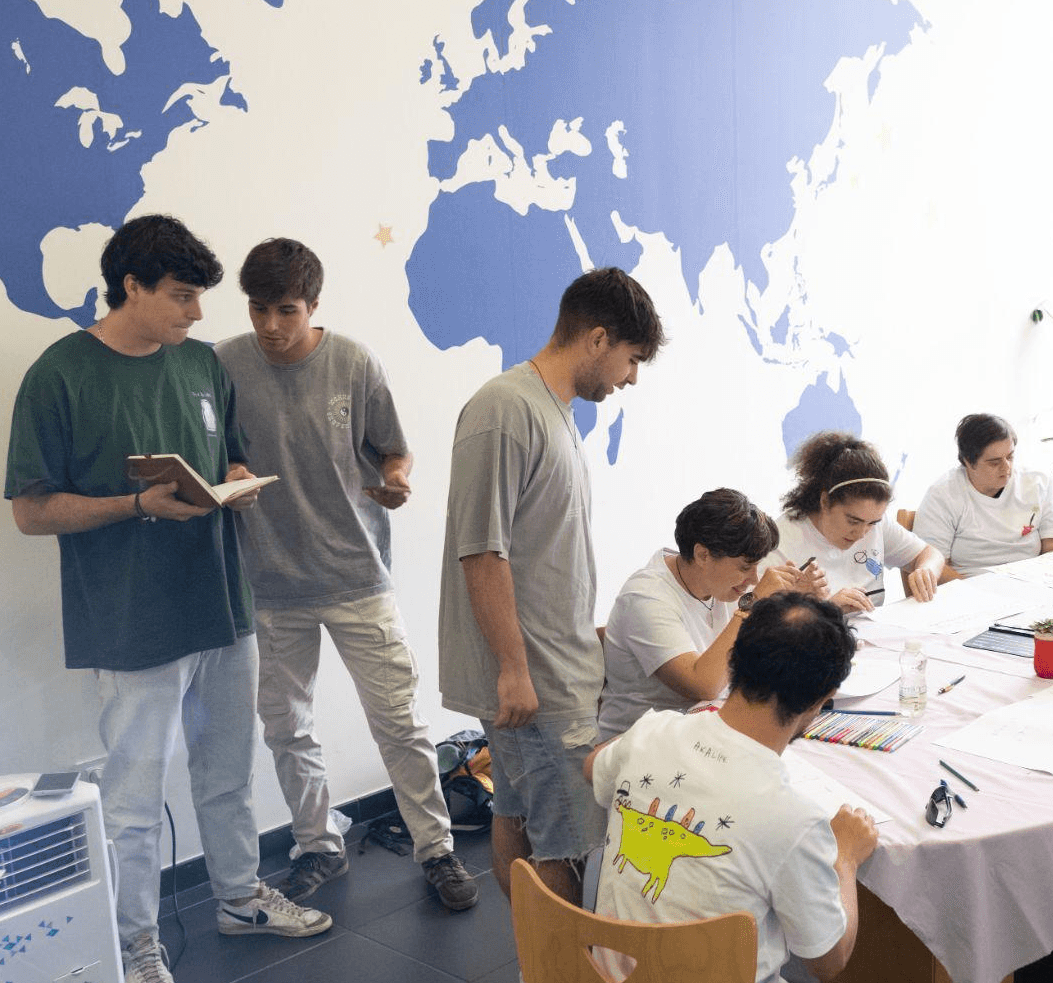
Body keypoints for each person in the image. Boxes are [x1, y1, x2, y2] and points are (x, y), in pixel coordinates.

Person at [5, 215, 328, 983]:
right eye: (181, 296)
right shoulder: (60, 375)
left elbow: (230, 456)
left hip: (221, 603)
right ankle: (135, 942)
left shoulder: (199, 365)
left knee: (226, 771)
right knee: (134, 795)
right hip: (131, 621)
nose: (194, 313)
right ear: (133, 287)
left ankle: (240, 895)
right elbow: (31, 511)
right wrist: (135, 505)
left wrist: (239, 477)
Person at [586, 592, 976, 983]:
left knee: (735, 942)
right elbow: (829, 960)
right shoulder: (790, 816)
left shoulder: (652, 730)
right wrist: (845, 859)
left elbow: (594, 768)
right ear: (823, 701)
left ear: (736, 659)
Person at [215, 238, 479, 911]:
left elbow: (396, 452)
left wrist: (394, 480)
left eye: (286, 310)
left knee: (399, 721)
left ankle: (437, 849)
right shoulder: (225, 364)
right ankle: (316, 844)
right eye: (257, 309)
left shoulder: (354, 362)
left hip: (359, 576)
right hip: (272, 583)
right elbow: (215, 454)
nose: (270, 325)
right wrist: (229, 472)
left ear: (313, 305)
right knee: (287, 727)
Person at [438, 266, 665, 933]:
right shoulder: (504, 410)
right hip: (534, 679)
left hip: (552, 661)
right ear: (598, 338)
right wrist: (513, 665)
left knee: (518, 816)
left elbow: (538, 548)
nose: (630, 378)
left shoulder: (551, 410)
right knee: (572, 842)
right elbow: (483, 551)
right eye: (631, 359)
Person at [597, 489, 807, 739]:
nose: (752, 579)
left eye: (756, 567)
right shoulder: (646, 597)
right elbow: (703, 685)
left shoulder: (717, 584)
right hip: (640, 748)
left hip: (701, 732)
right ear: (702, 554)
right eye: (745, 567)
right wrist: (754, 604)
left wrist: (796, 604)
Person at [766, 432, 946, 614]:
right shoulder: (781, 542)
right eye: (853, 521)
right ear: (825, 501)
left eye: (872, 523)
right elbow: (756, 628)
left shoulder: (876, 525)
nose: (861, 533)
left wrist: (926, 570)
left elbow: (930, 554)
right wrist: (828, 609)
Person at [912, 413, 1053, 577]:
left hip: (1031, 582)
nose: (1006, 467)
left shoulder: (1038, 482)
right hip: (968, 587)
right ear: (968, 462)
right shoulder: (943, 494)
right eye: (994, 462)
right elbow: (936, 567)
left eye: (1010, 457)